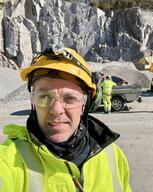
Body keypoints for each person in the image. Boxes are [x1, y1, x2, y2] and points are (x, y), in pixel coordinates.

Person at [0, 45, 132, 192]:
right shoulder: (9, 160)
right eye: (44, 97)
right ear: (33, 102)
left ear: (85, 104)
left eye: (69, 98)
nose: (56, 110)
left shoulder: (112, 156)